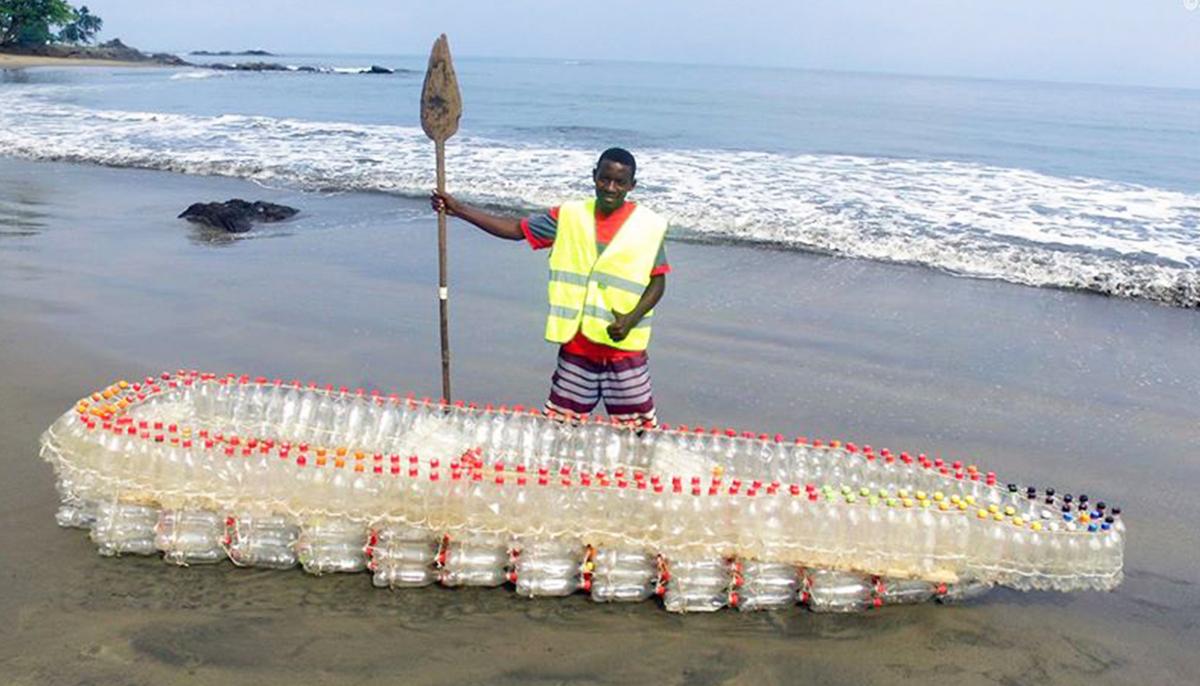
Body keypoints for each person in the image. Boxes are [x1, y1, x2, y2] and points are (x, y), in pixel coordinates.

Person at [430, 147, 670, 427]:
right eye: (604, 179)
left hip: (624, 351)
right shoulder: (569, 217)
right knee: (560, 428)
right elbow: (515, 229)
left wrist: (631, 319)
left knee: (637, 430)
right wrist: (460, 210)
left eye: (620, 182)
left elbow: (658, 280)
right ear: (594, 177)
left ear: (632, 185)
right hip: (577, 349)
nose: (610, 188)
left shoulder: (647, 226)